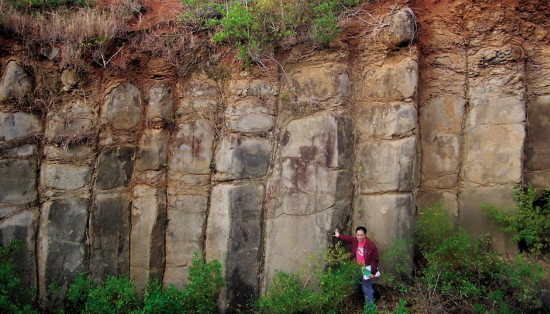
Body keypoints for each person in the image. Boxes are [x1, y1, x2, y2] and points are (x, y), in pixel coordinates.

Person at [334, 226, 379, 305]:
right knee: (354, 286)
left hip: (366, 269)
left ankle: (370, 309)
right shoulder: (355, 240)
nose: (359, 237)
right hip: (357, 267)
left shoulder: (371, 245)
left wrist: (373, 272)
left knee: (366, 289)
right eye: (358, 235)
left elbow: (374, 260)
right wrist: (338, 235)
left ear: (365, 235)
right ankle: (371, 294)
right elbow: (347, 239)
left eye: (361, 235)